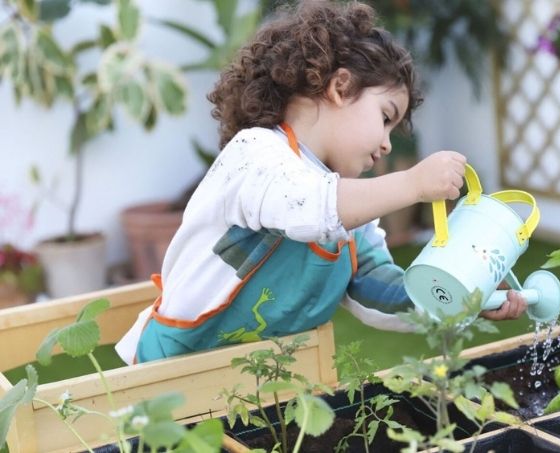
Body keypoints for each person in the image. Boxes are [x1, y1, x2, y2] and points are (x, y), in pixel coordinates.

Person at [116, 0, 526, 365]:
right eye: (385, 117)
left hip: (260, 382)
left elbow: (375, 291)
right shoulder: (254, 154)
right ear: (340, 87)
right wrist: (414, 184)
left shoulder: (349, 212)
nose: (386, 145)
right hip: (168, 375)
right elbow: (307, 207)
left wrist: (459, 298)